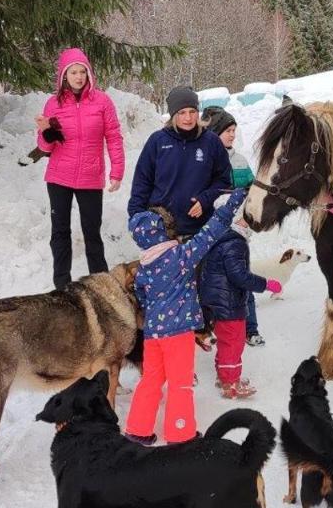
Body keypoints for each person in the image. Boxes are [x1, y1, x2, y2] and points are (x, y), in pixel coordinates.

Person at [124, 188, 249, 445]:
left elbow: (143, 299)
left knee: (151, 380)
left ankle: (137, 429)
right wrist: (235, 200)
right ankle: (181, 433)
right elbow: (211, 231)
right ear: (161, 232)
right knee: (181, 384)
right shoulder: (180, 257)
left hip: (152, 335)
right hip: (178, 334)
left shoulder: (144, 269)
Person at [33, 48, 125, 290]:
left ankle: (102, 286)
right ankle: (61, 286)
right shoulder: (53, 104)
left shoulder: (102, 101)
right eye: (73, 72)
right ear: (64, 75)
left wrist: (117, 171)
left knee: (92, 232)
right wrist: (46, 132)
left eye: (82, 71)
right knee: (60, 232)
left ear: (88, 73)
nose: (78, 76)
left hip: (90, 177)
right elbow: (44, 147)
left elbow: (113, 137)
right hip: (59, 177)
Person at [199, 200, 281, 398]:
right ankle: (230, 383)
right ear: (235, 220)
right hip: (228, 303)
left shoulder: (221, 239)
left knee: (227, 341)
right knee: (234, 342)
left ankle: (224, 376)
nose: (250, 224)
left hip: (218, 301)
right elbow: (239, 276)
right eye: (246, 219)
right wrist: (266, 284)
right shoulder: (234, 243)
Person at [128, 86, 231, 237]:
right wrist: (136, 218)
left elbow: (224, 180)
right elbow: (142, 182)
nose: (188, 118)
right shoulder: (157, 141)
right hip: (162, 229)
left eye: (192, 112)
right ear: (173, 114)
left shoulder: (211, 141)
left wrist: (205, 199)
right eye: (181, 113)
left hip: (200, 231)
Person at [205, 110, 264, 346]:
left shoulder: (240, 161)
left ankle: (250, 328)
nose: (232, 135)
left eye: (233, 131)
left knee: (242, 280)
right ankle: (213, 327)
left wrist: (247, 220)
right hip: (214, 233)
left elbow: (253, 193)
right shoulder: (206, 161)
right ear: (215, 133)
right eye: (228, 131)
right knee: (214, 283)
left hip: (238, 232)